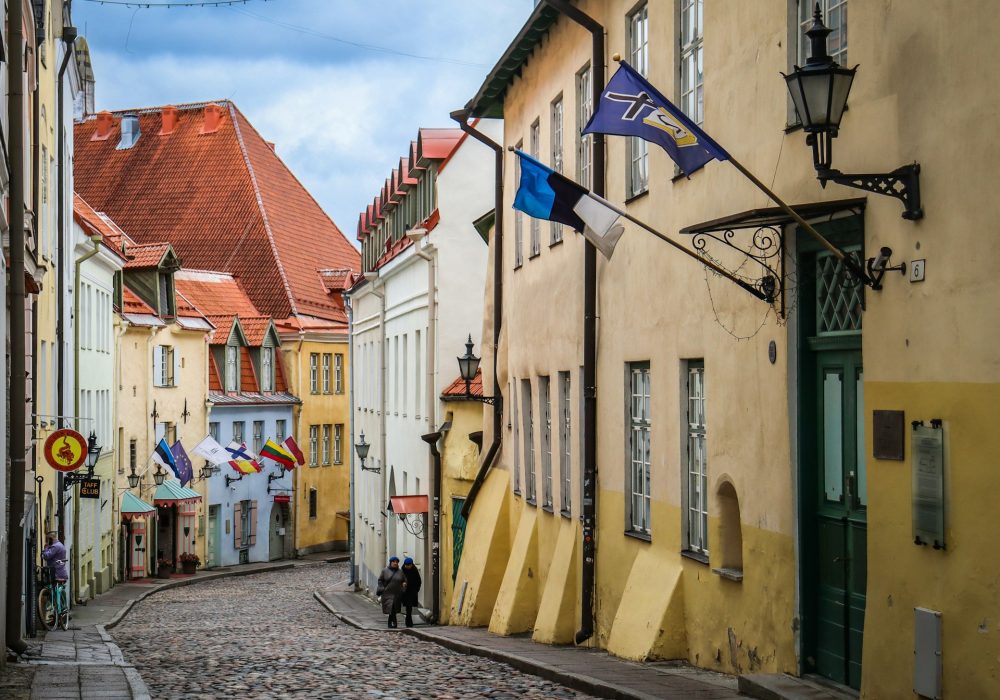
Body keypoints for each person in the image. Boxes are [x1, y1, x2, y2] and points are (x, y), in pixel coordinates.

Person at [376, 556, 407, 628]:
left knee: (393, 609)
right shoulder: (385, 571)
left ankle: (390, 623)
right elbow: (380, 580)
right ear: (390, 562)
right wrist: (382, 587)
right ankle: (394, 623)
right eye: (394, 562)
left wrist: (404, 584)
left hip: (397, 593)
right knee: (391, 608)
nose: (395, 563)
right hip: (387, 593)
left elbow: (404, 580)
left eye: (396, 562)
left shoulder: (400, 572)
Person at [400, 557, 422, 628]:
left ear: (411, 564)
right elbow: (399, 580)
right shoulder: (402, 570)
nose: (407, 567)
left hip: (412, 591)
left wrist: (416, 590)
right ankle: (408, 621)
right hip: (405, 592)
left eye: (409, 565)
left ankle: (408, 620)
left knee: (409, 607)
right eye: (406, 565)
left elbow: (419, 581)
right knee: (408, 607)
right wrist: (402, 584)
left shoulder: (414, 570)